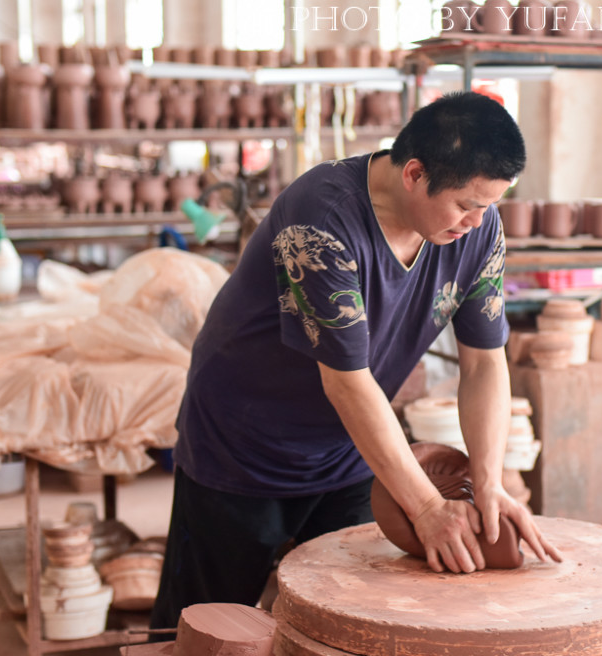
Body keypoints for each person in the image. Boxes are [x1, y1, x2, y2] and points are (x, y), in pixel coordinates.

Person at [149, 91, 562, 630]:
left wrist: (488, 482)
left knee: (348, 617)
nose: (476, 220)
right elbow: (346, 382)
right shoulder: (321, 219)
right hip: (244, 442)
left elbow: (484, 362)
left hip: (351, 443)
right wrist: (427, 507)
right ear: (413, 173)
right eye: (465, 203)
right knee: (206, 622)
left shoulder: (478, 229)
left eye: (488, 205)